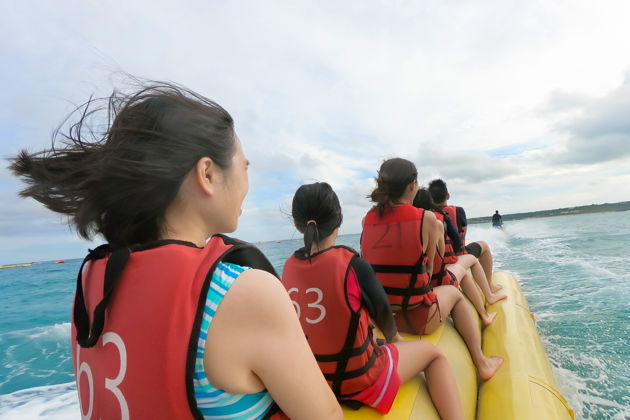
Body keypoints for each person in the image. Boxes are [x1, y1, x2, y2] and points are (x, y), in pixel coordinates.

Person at [10, 81, 342, 420]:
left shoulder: (91, 285)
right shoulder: (242, 294)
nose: (246, 181)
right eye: (244, 167)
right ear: (207, 174)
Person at [282, 182, 463, 419]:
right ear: (340, 219)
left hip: (315, 381)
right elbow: (381, 311)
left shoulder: (288, 269)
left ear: (298, 225)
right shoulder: (352, 265)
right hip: (358, 381)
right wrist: (394, 339)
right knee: (433, 354)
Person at [361, 158, 503, 380]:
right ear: (412, 185)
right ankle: (482, 362)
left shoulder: (366, 219)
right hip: (417, 318)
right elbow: (428, 270)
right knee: (455, 293)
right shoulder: (426, 219)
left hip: (384, 320)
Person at [413, 188, 498, 325]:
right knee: (468, 265)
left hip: (412, 288)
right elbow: (441, 255)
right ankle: (485, 310)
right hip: (436, 279)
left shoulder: (407, 226)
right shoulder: (437, 222)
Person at [428, 179, 502, 293]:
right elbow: (461, 237)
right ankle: (489, 286)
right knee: (484, 245)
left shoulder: (427, 216)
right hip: (457, 257)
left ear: (430, 199)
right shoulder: (458, 211)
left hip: (437, 264)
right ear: (447, 196)